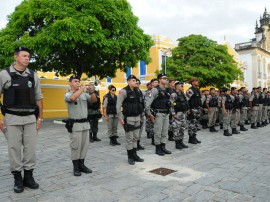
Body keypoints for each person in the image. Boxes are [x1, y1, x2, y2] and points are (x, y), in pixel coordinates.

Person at [0, 47, 43, 193]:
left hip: (30, 118)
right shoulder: (4, 74)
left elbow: (39, 98)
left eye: (29, 56)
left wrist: (40, 118)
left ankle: (28, 177)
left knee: (30, 149)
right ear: (15, 57)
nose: (27, 58)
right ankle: (17, 178)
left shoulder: (33, 75)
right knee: (14, 149)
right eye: (24, 56)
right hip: (12, 118)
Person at [64, 76, 97, 176]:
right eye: (75, 81)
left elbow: (93, 101)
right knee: (76, 147)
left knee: (84, 146)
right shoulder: (67, 94)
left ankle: (82, 165)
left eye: (78, 81)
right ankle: (76, 167)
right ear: (70, 83)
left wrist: (91, 92)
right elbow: (73, 98)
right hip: (75, 125)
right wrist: (82, 88)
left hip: (85, 125)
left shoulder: (83, 94)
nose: (78, 83)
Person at [116, 75, 144, 165]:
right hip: (129, 118)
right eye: (132, 80)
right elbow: (118, 106)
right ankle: (130, 157)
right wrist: (120, 118)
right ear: (128, 82)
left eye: (135, 80)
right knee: (129, 138)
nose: (135, 82)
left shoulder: (137, 91)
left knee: (136, 137)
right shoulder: (123, 91)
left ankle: (135, 155)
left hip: (137, 117)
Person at [145, 73, 172, 156]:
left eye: (166, 78)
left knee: (164, 131)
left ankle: (163, 147)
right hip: (158, 114)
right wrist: (150, 114)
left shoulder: (167, 90)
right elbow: (147, 104)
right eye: (164, 78)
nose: (166, 80)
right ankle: (158, 148)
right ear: (159, 80)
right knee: (158, 132)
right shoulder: (155, 90)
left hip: (166, 113)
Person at [170, 81, 189, 149]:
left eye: (183, 85)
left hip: (183, 113)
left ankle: (181, 142)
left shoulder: (182, 94)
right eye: (181, 85)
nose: (182, 86)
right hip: (177, 114)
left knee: (182, 128)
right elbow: (171, 105)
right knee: (176, 129)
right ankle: (177, 144)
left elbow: (185, 102)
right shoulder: (174, 94)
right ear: (177, 86)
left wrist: (187, 110)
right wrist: (173, 114)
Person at [186, 77, 202, 144]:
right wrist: (188, 110)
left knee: (196, 124)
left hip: (197, 109)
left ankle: (194, 137)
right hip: (192, 109)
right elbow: (186, 100)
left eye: (197, 80)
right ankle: (191, 138)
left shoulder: (197, 89)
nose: (197, 82)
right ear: (192, 82)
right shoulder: (190, 90)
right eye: (196, 81)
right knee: (191, 124)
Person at [144, 79, 158, 145]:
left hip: (157, 111)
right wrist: (149, 113)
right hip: (151, 111)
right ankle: (153, 140)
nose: (157, 83)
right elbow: (147, 104)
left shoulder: (158, 91)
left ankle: (156, 139)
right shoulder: (148, 92)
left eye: (157, 82)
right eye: (155, 82)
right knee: (152, 126)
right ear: (152, 84)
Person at [135, 79, 145, 150]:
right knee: (136, 129)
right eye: (137, 83)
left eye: (139, 83)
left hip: (141, 112)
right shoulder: (133, 91)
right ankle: (135, 145)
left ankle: (138, 143)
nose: (138, 84)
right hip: (136, 113)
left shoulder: (139, 91)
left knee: (140, 129)